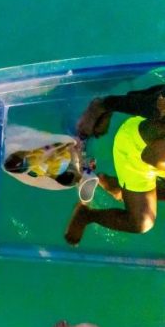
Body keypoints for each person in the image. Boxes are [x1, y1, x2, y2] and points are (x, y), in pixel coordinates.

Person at [65, 85, 165, 245]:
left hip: (154, 148)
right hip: (135, 151)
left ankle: (121, 189)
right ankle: (86, 214)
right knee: (141, 223)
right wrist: (105, 107)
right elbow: (150, 157)